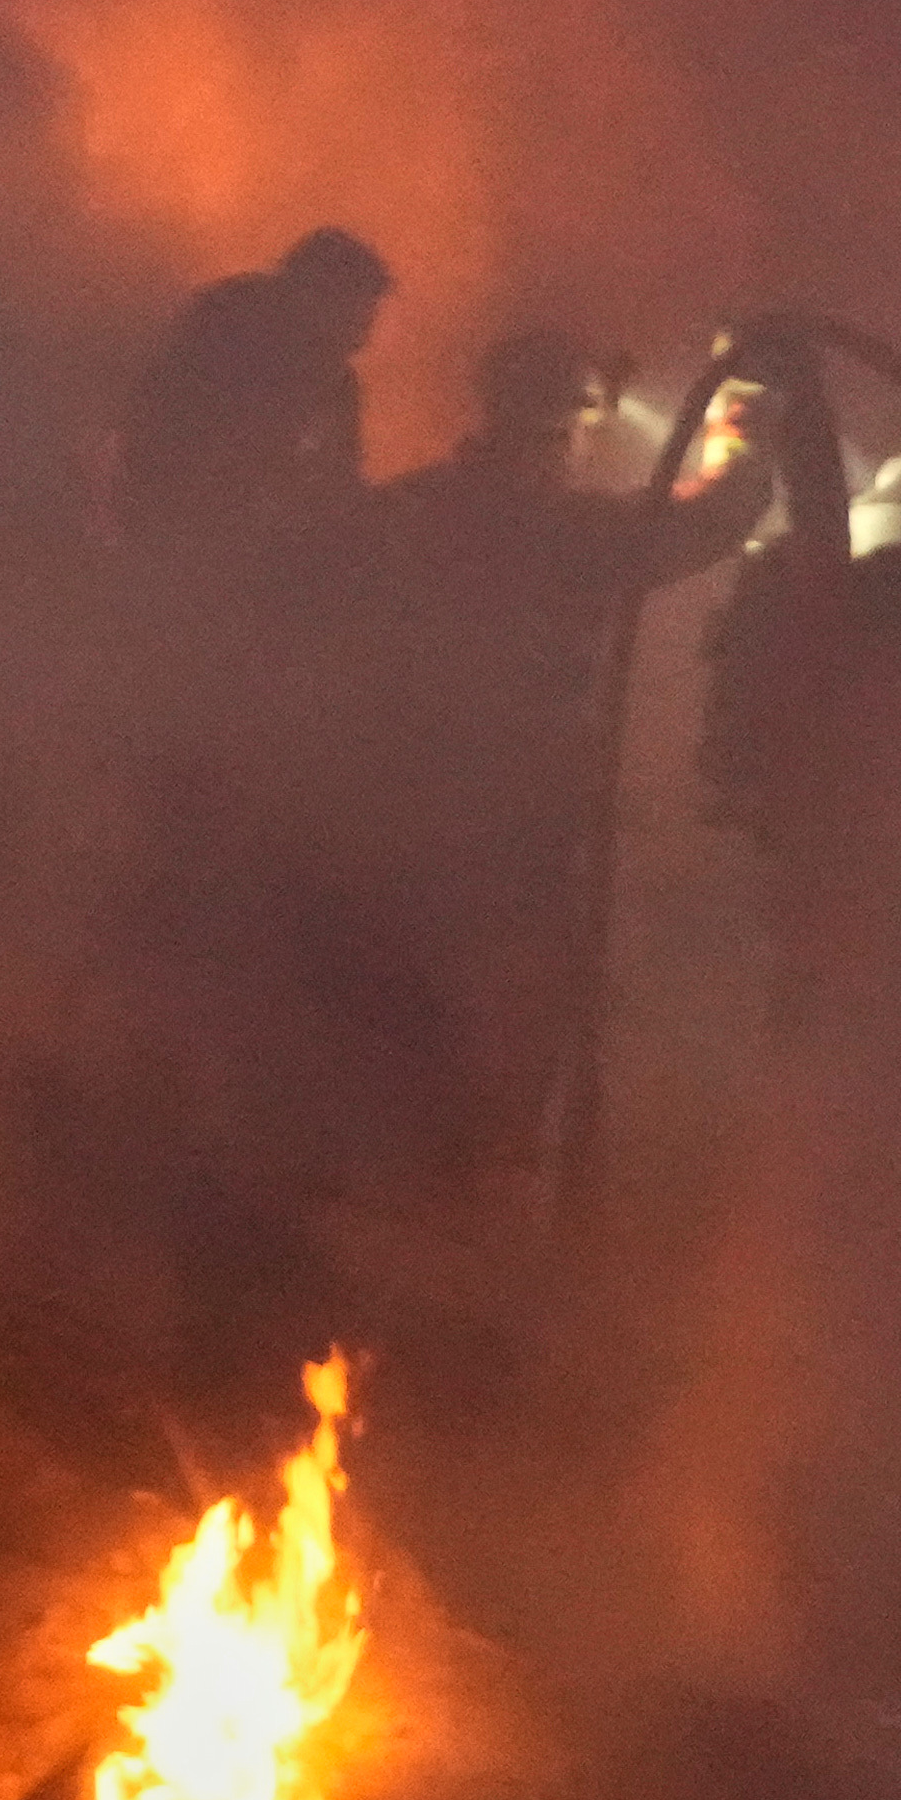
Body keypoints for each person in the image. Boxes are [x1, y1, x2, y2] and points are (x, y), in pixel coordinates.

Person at [364, 324, 766, 1178]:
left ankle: (398, 1185)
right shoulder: (558, 530)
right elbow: (712, 520)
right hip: (517, 813)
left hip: (390, 806)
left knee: (400, 1011)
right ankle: (478, 1197)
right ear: (562, 422)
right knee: (508, 1021)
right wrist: (745, 434)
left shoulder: (407, 507)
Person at [111, 225, 391, 557]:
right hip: (181, 540)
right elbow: (172, 445)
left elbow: (340, 478)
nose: (362, 340)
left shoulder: (336, 379)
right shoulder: (227, 334)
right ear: (314, 296)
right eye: (353, 319)